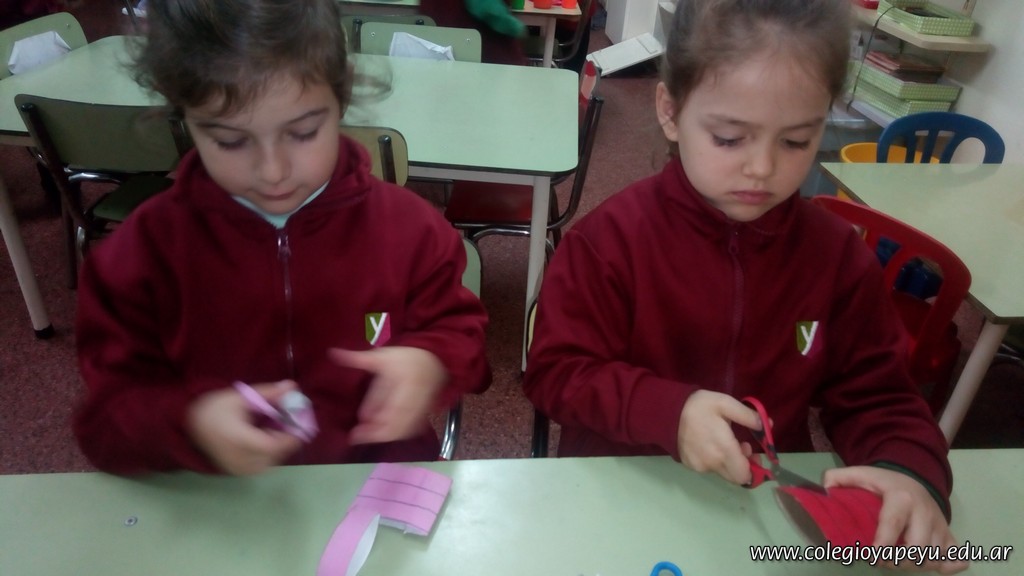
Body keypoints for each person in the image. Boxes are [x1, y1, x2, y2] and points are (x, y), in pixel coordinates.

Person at [523, 1, 965, 572]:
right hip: (626, 499)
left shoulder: (836, 256)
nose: (762, 168)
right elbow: (556, 374)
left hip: (765, 515)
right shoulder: (607, 243)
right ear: (670, 111)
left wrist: (908, 471)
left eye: (796, 142)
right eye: (730, 138)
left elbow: (879, 396)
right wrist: (669, 412)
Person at [73, 0, 491, 476]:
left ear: (341, 99)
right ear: (184, 116)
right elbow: (105, 424)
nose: (272, 172)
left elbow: (464, 336)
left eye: (304, 132)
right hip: (220, 496)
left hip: (370, 485)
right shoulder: (141, 253)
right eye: (231, 141)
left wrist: (430, 361)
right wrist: (190, 423)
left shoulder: (412, 229)